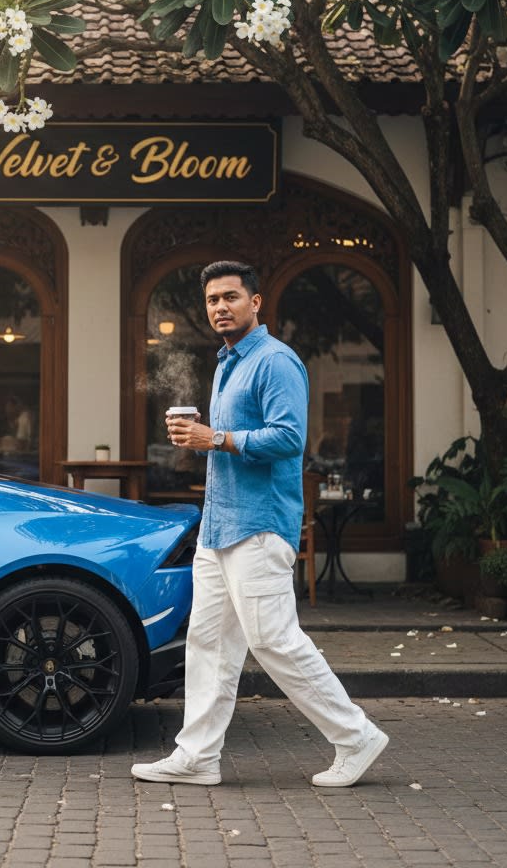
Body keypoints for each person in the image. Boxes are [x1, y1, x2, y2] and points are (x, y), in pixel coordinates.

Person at [132, 261, 388, 788]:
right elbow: (229, 439)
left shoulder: (275, 361)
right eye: (212, 300)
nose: (220, 307)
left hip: (259, 525)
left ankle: (356, 735)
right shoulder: (228, 362)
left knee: (272, 639)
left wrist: (215, 438)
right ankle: (197, 757)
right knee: (208, 644)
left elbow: (289, 438)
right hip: (218, 528)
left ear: (255, 302)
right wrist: (201, 439)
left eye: (230, 297)